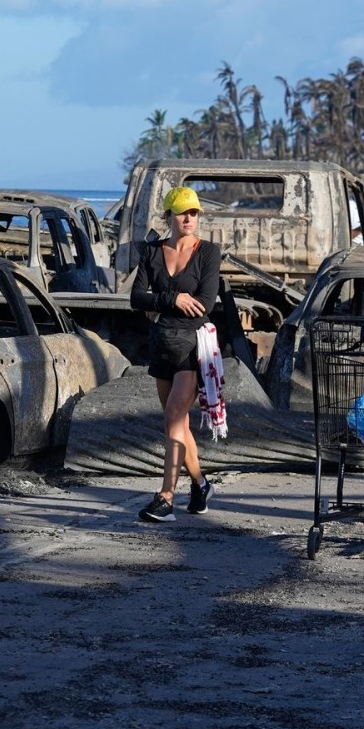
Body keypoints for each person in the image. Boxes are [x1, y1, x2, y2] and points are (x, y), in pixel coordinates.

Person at [129, 185, 222, 522]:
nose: (189, 218)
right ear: (168, 215)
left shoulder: (208, 252)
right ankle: (200, 484)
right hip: (161, 344)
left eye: (194, 212)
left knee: (172, 418)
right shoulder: (151, 252)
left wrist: (162, 302)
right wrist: (173, 299)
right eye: (183, 212)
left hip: (192, 346)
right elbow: (136, 298)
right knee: (178, 423)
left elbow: (206, 304)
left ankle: (166, 497)